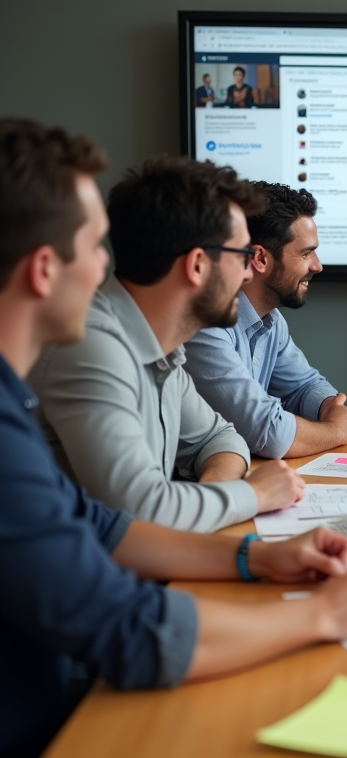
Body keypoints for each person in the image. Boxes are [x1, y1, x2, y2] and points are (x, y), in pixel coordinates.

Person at [0, 118, 347, 758]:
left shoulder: (32, 391)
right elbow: (129, 624)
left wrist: (257, 560)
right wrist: (320, 616)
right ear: (45, 270)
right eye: (95, 245)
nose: (107, 267)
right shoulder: (79, 358)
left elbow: (100, 522)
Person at [29, 156, 305, 532]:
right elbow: (141, 512)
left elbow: (222, 438)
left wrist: (210, 500)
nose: (246, 273)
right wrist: (254, 495)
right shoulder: (90, 347)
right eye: (242, 256)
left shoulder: (163, 345)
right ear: (196, 266)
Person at [184, 183, 347, 459]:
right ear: (260, 258)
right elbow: (270, 434)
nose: (317, 266)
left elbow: (304, 386)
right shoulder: (206, 324)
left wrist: (328, 407)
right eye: (305, 253)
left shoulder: (271, 321)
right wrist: (337, 430)